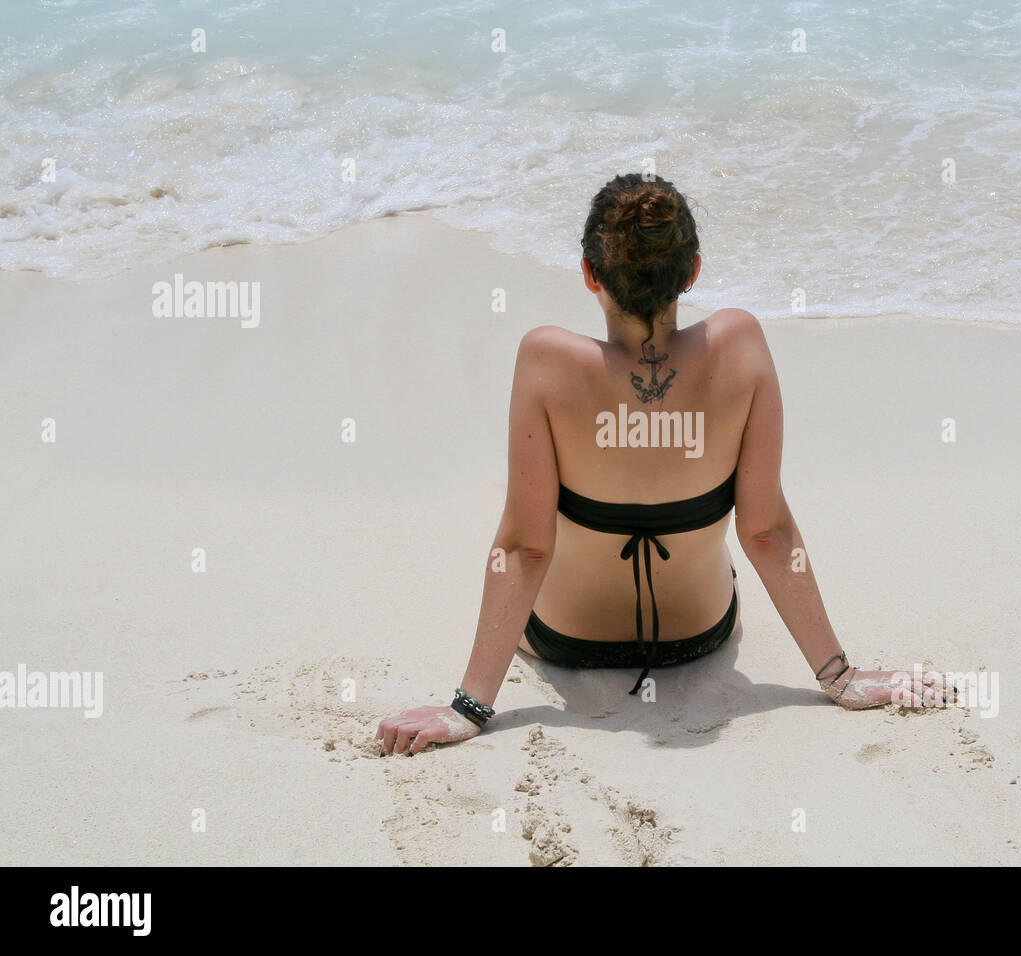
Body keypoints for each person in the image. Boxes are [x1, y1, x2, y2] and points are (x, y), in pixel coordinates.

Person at [376, 173, 954, 756]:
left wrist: (468, 709)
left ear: (589, 274)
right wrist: (841, 678)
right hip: (698, 636)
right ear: (693, 270)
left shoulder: (546, 360)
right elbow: (766, 532)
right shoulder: (740, 344)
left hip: (565, 641)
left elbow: (526, 547)